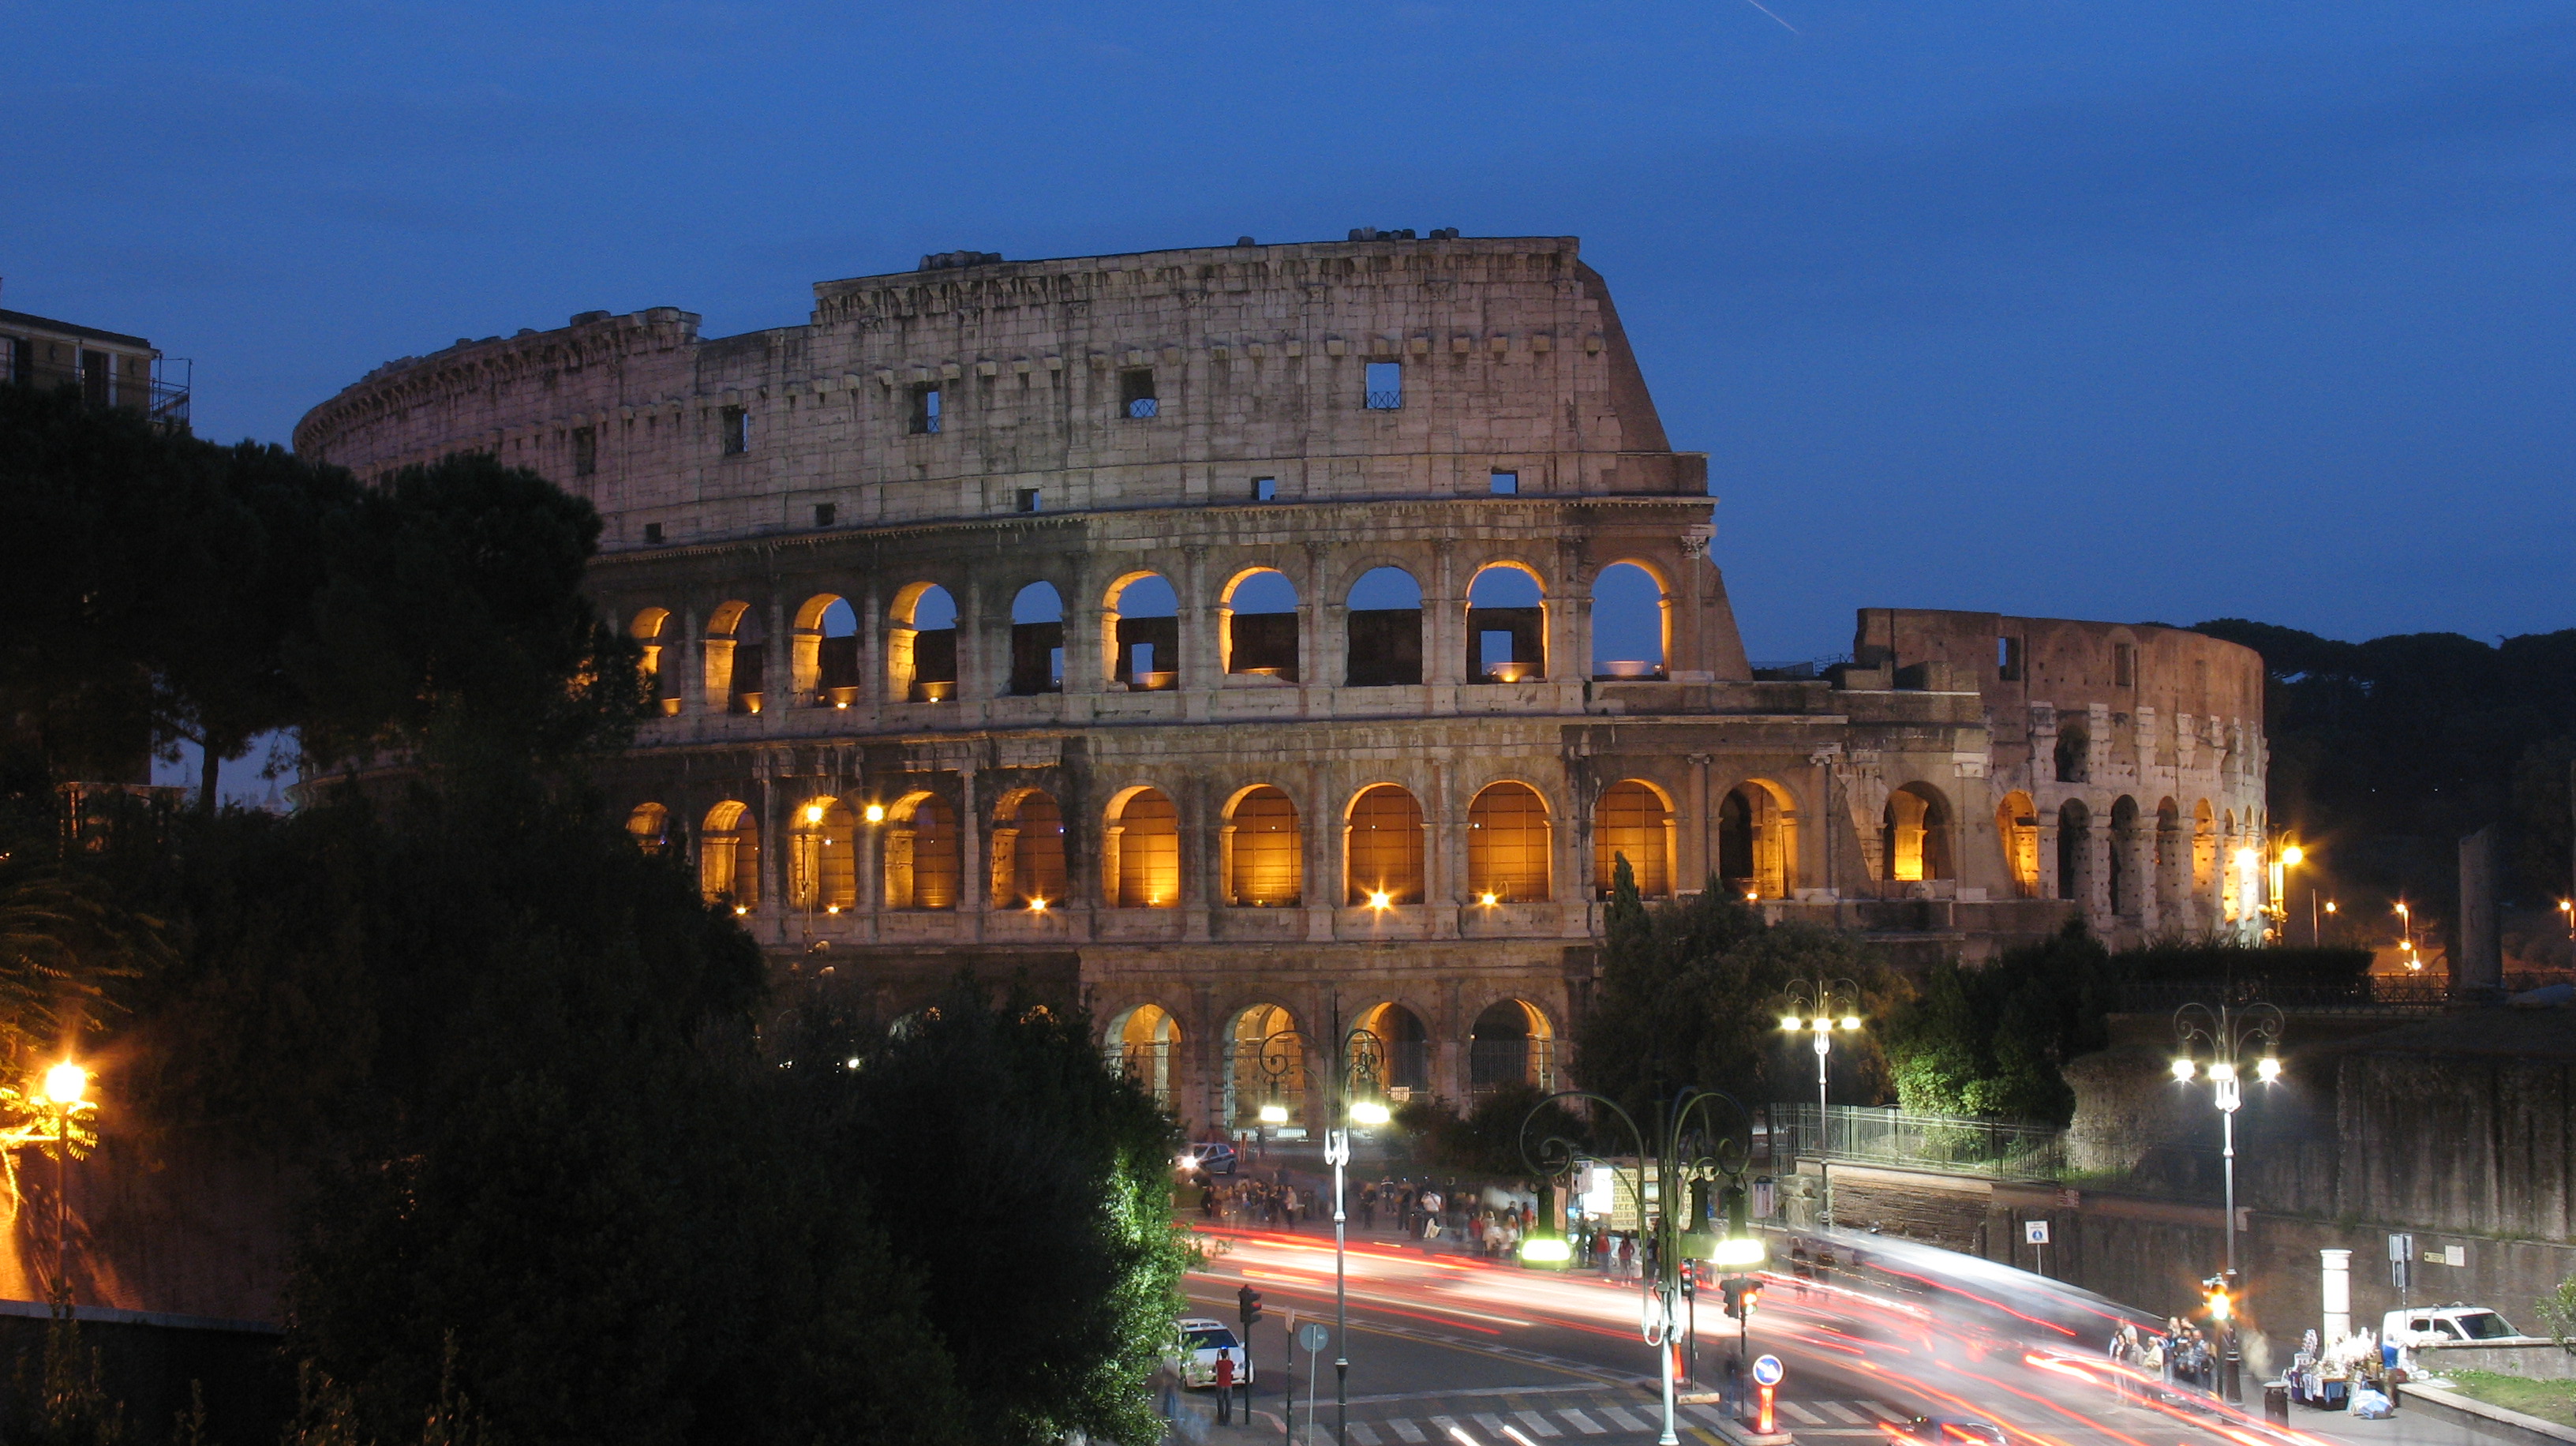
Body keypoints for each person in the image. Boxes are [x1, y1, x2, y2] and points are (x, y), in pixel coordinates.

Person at [1213, 1348, 1236, 1424]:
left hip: (1220, 1384)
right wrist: (1229, 1355)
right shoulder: (1230, 1363)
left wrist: (1218, 1354)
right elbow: (1232, 1367)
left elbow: (1215, 1366)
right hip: (1228, 1384)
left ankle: (1221, 1420)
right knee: (1229, 1403)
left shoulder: (1219, 1363)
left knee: (1220, 1403)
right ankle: (1228, 1420)